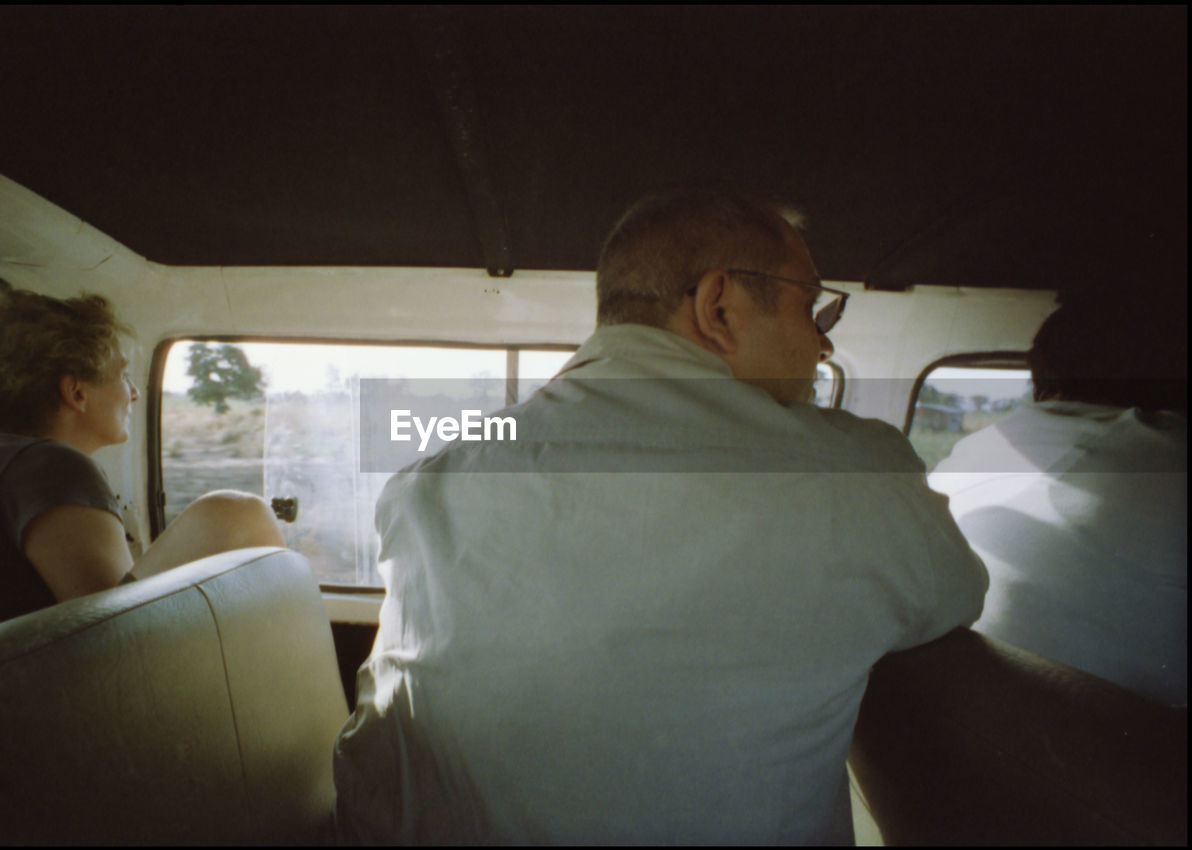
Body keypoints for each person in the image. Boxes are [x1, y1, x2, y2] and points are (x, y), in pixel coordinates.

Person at [332, 186, 988, 843]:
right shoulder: (859, 478)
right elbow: (958, 594)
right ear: (719, 306)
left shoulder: (426, 485)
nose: (822, 345)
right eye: (814, 307)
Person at [0, 286, 284, 648]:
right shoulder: (49, 467)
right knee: (235, 513)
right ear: (76, 392)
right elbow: (113, 642)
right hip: (21, 701)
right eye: (123, 376)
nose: (135, 394)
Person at [929, 301, 1187, 705]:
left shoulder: (971, 450)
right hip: (1117, 751)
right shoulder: (1168, 451)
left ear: (1041, 373)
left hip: (959, 728)